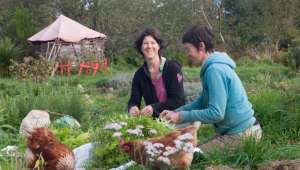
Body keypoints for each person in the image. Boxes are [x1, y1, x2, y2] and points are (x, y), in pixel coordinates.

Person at [160, 26, 262, 153]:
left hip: (244, 135)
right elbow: (203, 101)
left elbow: (216, 113)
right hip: (241, 131)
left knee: (192, 157)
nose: (187, 54)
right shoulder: (213, 66)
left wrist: (180, 117)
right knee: (190, 151)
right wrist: (175, 112)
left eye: (188, 49)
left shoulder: (214, 70)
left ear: (201, 46)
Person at [128, 28, 185, 118]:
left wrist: (153, 107)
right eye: (145, 43)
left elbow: (179, 100)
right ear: (141, 48)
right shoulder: (139, 74)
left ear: (158, 46)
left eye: (153, 43)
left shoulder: (173, 68)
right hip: (155, 124)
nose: (149, 46)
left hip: (176, 118)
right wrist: (132, 108)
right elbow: (134, 100)